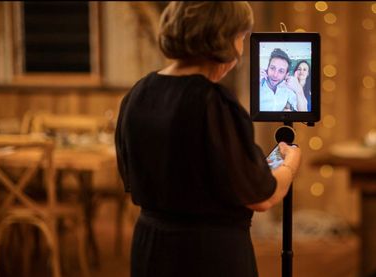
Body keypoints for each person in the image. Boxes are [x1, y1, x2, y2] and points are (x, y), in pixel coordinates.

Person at [115, 2, 301, 277]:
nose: (240, 49)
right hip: (206, 254)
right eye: (241, 36)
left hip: (150, 246)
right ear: (223, 38)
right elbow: (261, 197)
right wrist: (289, 163)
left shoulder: (138, 93)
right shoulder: (214, 102)